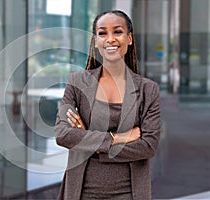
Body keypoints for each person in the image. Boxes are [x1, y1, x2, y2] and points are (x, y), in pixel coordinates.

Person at [54, 10, 161, 200]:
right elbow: (63, 135)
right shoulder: (77, 83)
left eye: (117, 32)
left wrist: (92, 145)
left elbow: (148, 146)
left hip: (129, 192)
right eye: (102, 33)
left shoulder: (148, 90)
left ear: (129, 38)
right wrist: (119, 138)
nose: (110, 39)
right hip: (81, 190)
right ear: (96, 41)